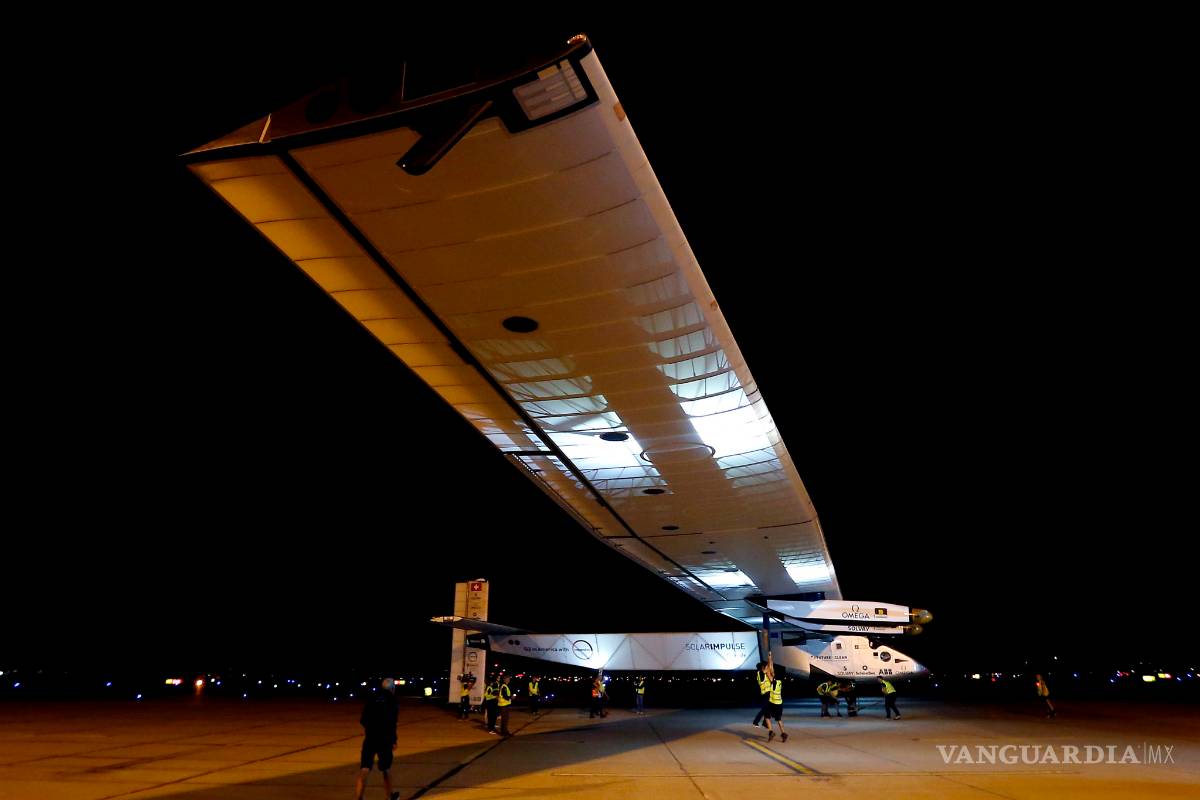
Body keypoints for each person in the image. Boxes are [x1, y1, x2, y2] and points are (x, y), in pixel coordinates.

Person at [355, 677, 400, 800]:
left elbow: (363, 719)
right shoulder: (392, 701)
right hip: (384, 739)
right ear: (392, 689)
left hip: (370, 737)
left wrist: (371, 729)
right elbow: (392, 723)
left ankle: (359, 796)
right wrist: (394, 740)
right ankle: (390, 795)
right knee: (386, 768)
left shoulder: (372, 698)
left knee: (365, 768)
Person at [763, 663, 788, 743]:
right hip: (779, 703)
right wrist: (770, 660)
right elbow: (772, 672)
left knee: (766, 716)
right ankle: (783, 733)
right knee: (778, 719)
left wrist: (766, 668)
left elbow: (767, 673)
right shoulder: (779, 682)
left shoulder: (774, 682)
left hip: (773, 703)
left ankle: (771, 732)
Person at [751, 660, 771, 727]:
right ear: (762, 667)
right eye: (764, 666)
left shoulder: (760, 674)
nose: (765, 667)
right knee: (764, 710)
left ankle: (764, 723)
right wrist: (769, 660)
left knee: (767, 709)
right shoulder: (761, 673)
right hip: (766, 694)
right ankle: (756, 722)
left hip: (765, 693)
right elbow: (767, 668)